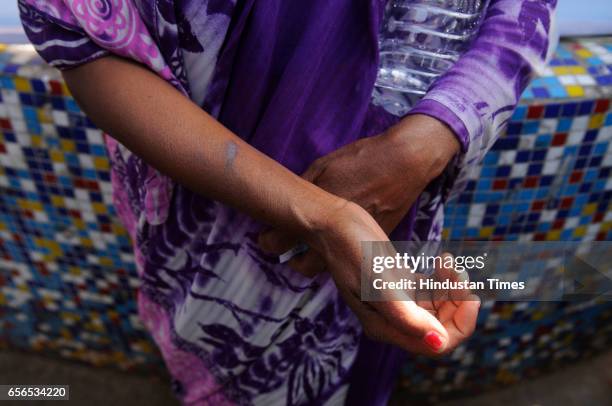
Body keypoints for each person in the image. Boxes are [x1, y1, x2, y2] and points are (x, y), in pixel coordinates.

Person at [19, 0, 557, 404]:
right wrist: (323, 214)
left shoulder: (416, 168)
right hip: (215, 219)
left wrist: (431, 138)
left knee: (371, 358)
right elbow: (79, 31)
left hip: (406, 202)